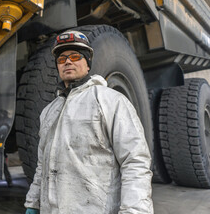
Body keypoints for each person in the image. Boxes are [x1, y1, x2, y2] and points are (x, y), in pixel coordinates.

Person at [24, 30, 153, 214]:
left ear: (87, 64)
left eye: (75, 56)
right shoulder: (49, 112)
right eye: (61, 59)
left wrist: (135, 211)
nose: (67, 62)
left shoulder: (111, 101)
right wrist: (33, 203)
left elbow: (134, 160)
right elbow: (42, 164)